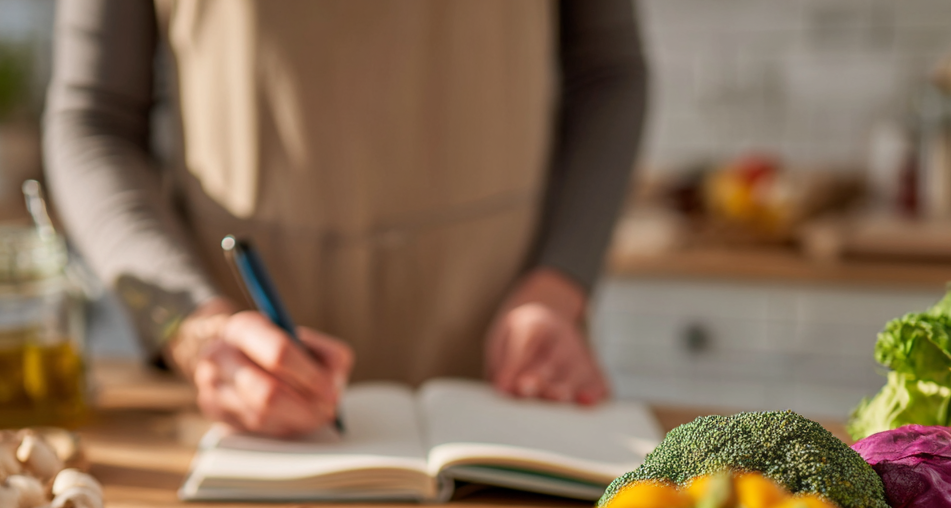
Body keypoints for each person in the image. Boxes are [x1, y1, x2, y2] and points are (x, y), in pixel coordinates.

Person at [45, 0, 647, 436]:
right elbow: (93, 117)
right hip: (238, 403)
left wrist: (558, 284)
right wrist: (191, 324)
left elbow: (608, 74)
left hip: (504, 389)